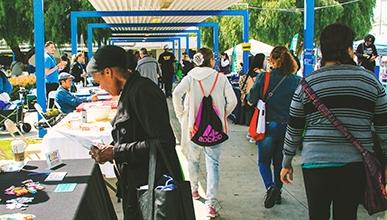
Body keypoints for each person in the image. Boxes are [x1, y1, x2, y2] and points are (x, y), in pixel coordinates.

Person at [280, 23, 387, 219]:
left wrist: (286, 162)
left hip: (315, 163)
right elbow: (383, 129)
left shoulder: (307, 84)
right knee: (347, 214)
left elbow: (294, 127)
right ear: (348, 49)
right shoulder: (371, 82)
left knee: (318, 215)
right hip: (355, 164)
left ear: (323, 49)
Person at [86, 45, 183, 220]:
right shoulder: (130, 90)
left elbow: (164, 143)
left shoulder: (143, 91)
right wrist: (111, 148)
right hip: (136, 186)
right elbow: (137, 134)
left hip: (151, 189)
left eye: (98, 80)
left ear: (108, 72)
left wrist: (116, 152)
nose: (100, 87)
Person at [172, 47, 237, 218]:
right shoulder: (220, 78)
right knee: (213, 165)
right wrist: (222, 115)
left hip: (193, 128)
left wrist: (181, 115)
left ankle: (194, 189)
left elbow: (176, 93)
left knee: (193, 160)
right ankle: (211, 204)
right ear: (211, 60)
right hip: (215, 130)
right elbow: (233, 101)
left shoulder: (190, 77)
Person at [248, 46, 300, 209]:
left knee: (264, 161)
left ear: (273, 60)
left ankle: (270, 187)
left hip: (267, 125)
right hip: (288, 128)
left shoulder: (265, 77)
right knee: (280, 162)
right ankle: (278, 192)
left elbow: (251, 98)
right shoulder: (296, 80)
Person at [238, 53, 265, 126]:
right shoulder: (263, 74)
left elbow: (241, 85)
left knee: (248, 112)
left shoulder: (247, 73)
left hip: (248, 95)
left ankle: (247, 123)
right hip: (259, 97)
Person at [44, 41, 66, 106]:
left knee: (55, 103)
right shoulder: (47, 58)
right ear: (46, 48)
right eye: (51, 47)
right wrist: (57, 66)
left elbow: (53, 70)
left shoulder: (52, 57)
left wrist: (60, 68)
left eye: (54, 47)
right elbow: (47, 72)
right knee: (52, 103)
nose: (54, 49)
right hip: (50, 83)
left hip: (54, 82)